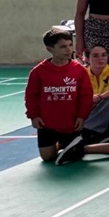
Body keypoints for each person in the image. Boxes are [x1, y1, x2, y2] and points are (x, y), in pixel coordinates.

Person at [25, 28, 93, 165]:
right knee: (47, 157)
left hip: (71, 123)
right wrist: (34, 115)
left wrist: (81, 116)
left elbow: (86, 95)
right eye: (63, 47)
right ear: (50, 49)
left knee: (78, 155)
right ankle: (66, 145)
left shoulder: (79, 70)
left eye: (70, 45)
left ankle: (72, 143)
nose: (68, 50)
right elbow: (31, 96)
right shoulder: (38, 71)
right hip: (47, 124)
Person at [82, 45, 109, 138]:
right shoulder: (81, 73)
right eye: (95, 56)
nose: (100, 58)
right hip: (87, 108)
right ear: (87, 59)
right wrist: (90, 99)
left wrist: (101, 97)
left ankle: (89, 130)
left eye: (104, 55)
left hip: (106, 109)